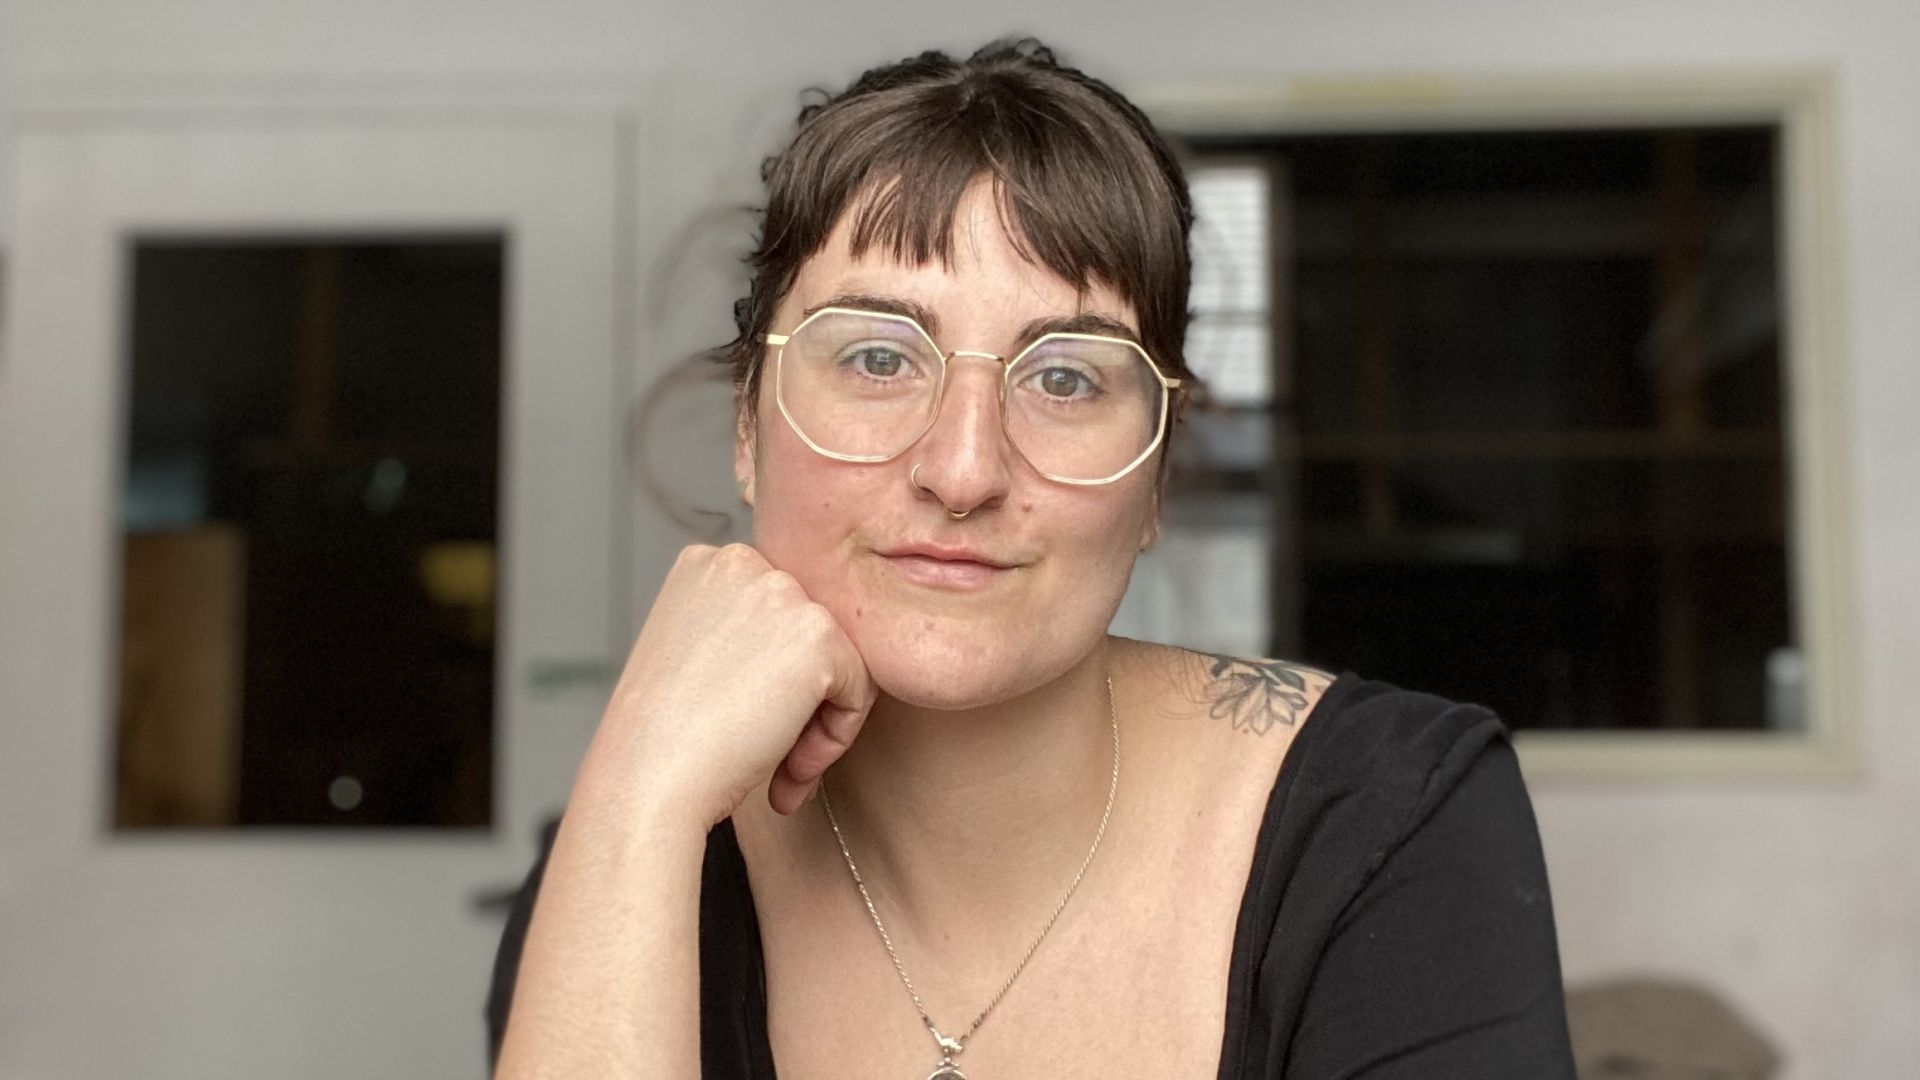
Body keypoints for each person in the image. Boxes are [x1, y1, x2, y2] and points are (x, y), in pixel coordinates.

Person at [486, 37, 1575, 1079]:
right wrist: (635, 785)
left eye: (1064, 379)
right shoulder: (627, 861)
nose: (963, 471)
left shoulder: (1392, 820)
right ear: (746, 431)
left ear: (1155, 473)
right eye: (875, 356)